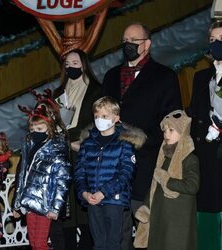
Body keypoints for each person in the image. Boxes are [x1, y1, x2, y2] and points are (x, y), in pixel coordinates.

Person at [101, 22, 182, 249]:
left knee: (149, 227)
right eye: (124, 41)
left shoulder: (165, 76)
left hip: (148, 164)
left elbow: (172, 122)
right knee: (118, 229)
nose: (128, 45)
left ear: (147, 44)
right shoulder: (110, 76)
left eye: (133, 41)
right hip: (113, 166)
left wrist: (141, 141)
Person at [75, 96, 147, 250]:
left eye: (104, 116)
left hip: (114, 199)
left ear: (116, 118)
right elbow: (80, 171)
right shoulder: (88, 143)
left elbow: (127, 173)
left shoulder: (124, 143)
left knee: (113, 242)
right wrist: (84, 193)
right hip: (93, 199)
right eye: (96, 116)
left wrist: (104, 192)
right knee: (99, 242)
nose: (99, 119)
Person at [53, 49, 101, 250]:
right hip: (63, 150)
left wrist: (84, 142)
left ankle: (87, 244)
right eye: (67, 63)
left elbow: (101, 121)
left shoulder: (97, 89)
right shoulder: (58, 93)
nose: (70, 66)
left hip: (85, 149)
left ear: (83, 64)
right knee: (66, 200)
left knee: (83, 196)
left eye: (75, 62)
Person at [134, 110, 199, 250]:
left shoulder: (190, 159)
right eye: (164, 131)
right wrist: (146, 206)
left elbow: (192, 186)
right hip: (161, 219)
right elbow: (154, 185)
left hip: (177, 224)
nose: (166, 134)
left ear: (183, 132)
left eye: (171, 130)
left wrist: (167, 180)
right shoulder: (163, 159)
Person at [12, 104, 71, 250]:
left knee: (40, 244)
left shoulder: (57, 149)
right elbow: (22, 178)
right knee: (34, 244)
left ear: (49, 127)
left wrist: (55, 208)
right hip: (30, 204)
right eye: (32, 129)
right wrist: (17, 205)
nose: (35, 132)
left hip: (46, 206)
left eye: (40, 129)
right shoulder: (28, 148)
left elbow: (62, 182)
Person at [188, 20, 222, 250]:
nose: (217, 44)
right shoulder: (201, 77)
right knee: (208, 223)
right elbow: (193, 117)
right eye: (212, 40)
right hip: (206, 161)